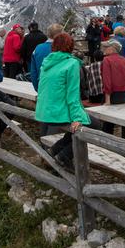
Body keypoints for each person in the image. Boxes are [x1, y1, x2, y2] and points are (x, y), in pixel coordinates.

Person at [35, 33, 91, 169]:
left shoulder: (47, 62)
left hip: (43, 112)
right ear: (71, 47)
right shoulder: (71, 63)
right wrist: (77, 117)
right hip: (57, 112)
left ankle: (55, 150)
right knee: (92, 125)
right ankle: (63, 156)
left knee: (77, 128)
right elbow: (72, 95)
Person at [100, 39, 125, 134]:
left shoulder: (107, 60)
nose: (104, 49)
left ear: (112, 49)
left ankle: (106, 140)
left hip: (113, 97)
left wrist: (107, 101)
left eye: (106, 47)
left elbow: (107, 82)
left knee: (106, 125)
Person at [31, 23, 64, 91]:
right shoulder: (62, 49)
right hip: (59, 88)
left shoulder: (37, 48)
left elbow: (33, 72)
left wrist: (37, 87)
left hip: (42, 85)